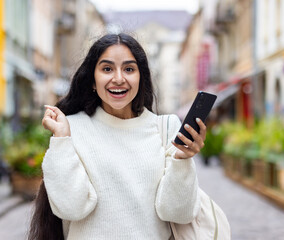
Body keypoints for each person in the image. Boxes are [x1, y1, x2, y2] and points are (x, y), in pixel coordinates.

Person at [29, 33, 207, 240]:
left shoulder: (166, 128)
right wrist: (61, 140)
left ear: (141, 78)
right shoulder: (71, 128)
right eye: (107, 69)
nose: (119, 78)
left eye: (129, 69)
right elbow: (71, 208)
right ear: (92, 80)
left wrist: (182, 160)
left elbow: (179, 214)